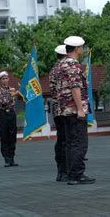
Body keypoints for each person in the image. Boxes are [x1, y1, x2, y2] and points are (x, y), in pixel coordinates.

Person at [59, 36, 95, 185]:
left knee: (71, 142)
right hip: (74, 110)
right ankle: (77, 174)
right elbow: (75, 88)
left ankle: (72, 173)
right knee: (79, 142)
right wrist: (80, 108)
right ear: (77, 49)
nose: (83, 49)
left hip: (66, 109)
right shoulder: (73, 66)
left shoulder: (62, 64)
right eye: (81, 47)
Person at [49, 45, 68, 182]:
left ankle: (61, 170)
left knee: (61, 139)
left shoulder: (53, 70)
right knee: (67, 140)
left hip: (57, 110)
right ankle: (65, 170)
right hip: (65, 109)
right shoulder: (64, 69)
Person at [0, 71, 19, 167]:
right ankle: (6, 159)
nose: (5, 80)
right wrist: (13, 95)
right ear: (0, 80)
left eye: (6, 78)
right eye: (3, 79)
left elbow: (16, 101)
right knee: (4, 136)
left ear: (8, 79)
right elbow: (4, 102)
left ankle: (12, 158)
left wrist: (18, 94)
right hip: (3, 114)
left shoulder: (12, 89)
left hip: (12, 114)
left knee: (12, 136)